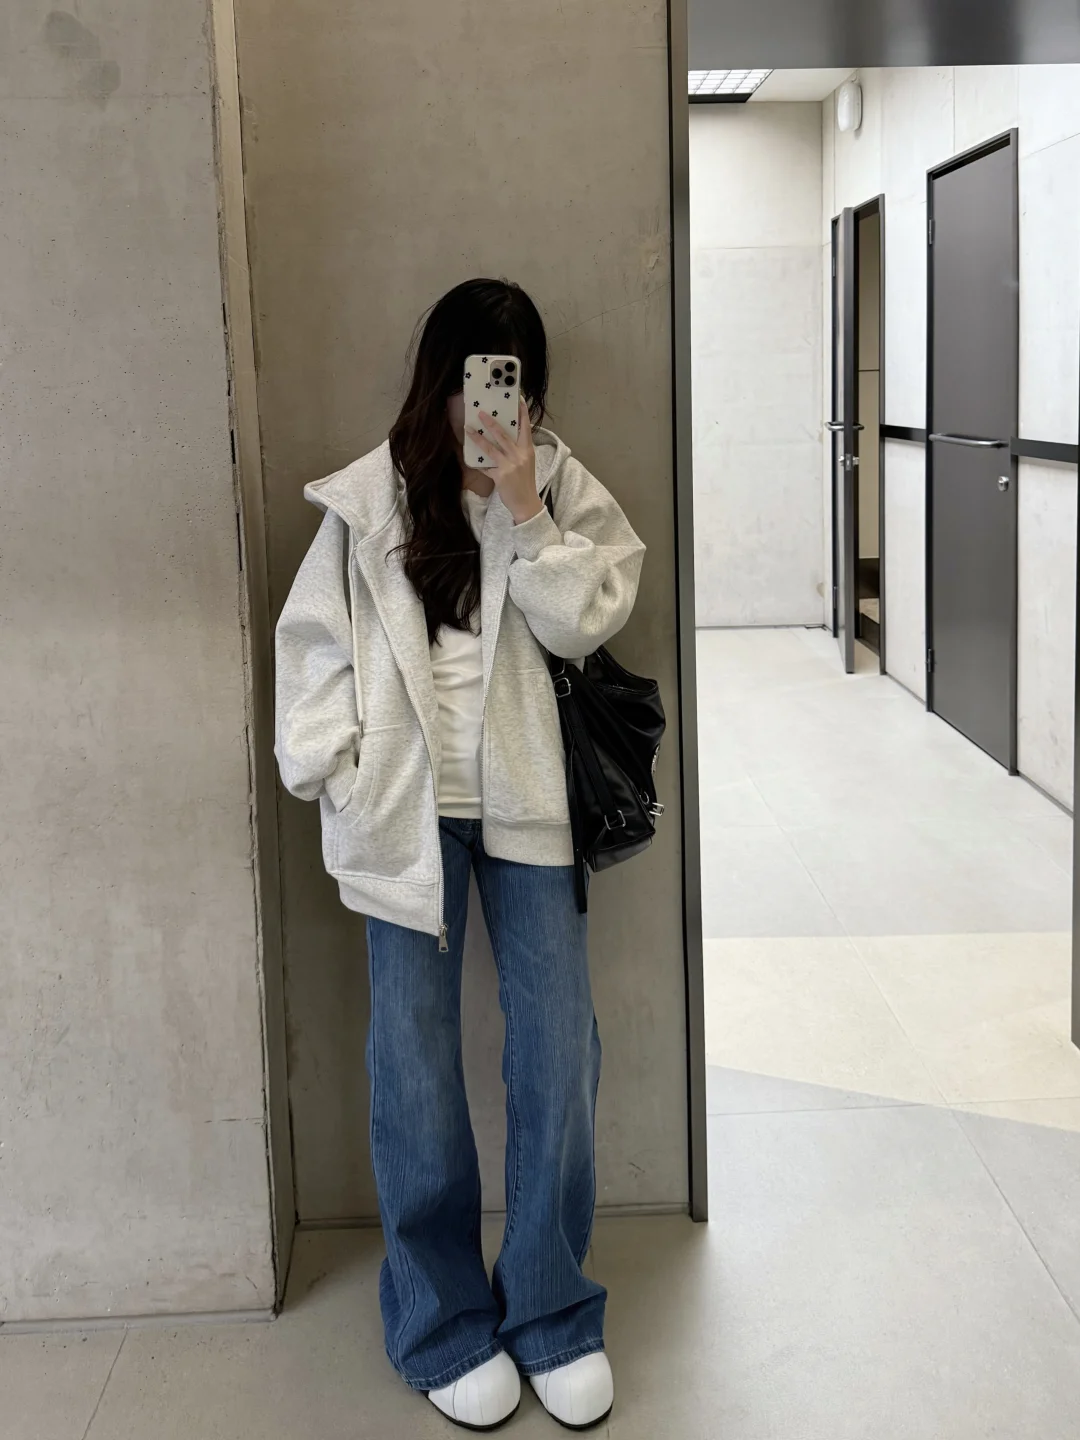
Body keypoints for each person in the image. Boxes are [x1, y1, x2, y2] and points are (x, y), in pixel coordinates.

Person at [274, 278, 646, 1431]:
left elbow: (588, 620)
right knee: (415, 1071)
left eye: (513, 380)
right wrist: (336, 768)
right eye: (477, 377)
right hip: (405, 814)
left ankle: (551, 1310)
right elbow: (312, 645)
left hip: (531, 809)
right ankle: (439, 1323)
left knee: (558, 1058)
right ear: (438, 377)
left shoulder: (561, 486)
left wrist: (525, 506)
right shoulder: (371, 497)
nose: (492, 403)